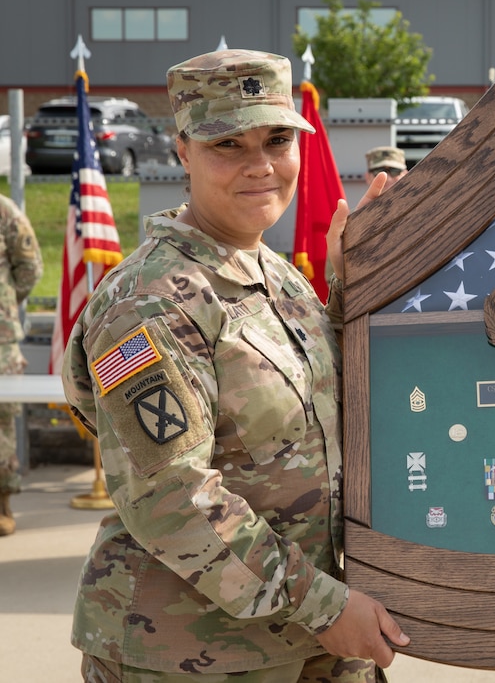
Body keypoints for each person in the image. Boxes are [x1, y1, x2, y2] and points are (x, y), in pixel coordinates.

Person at [62, 49, 408, 682]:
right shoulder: (149, 301)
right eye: (228, 143)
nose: (262, 166)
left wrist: (351, 291)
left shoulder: (277, 276)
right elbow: (171, 496)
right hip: (192, 657)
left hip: (314, 645)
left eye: (279, 139)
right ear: (183, 151)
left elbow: (318, 407)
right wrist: (325, 606)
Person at [0, 192, 43, 536]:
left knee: (0, 423)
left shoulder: (4, 211)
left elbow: (29, 267)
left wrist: (5, 306)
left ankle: (1, 503)